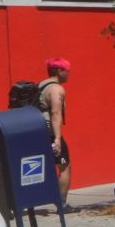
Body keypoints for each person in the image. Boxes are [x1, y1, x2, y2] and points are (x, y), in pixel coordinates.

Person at [39, 58, 72, 210]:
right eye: (67, 71)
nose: (68, 74)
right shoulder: (56, 89)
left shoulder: (41, 85)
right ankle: (62, 204)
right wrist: (57, 138)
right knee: (64, 166)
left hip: (39, 130)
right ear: (60, 71)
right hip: (51, 133)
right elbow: (55, 112)